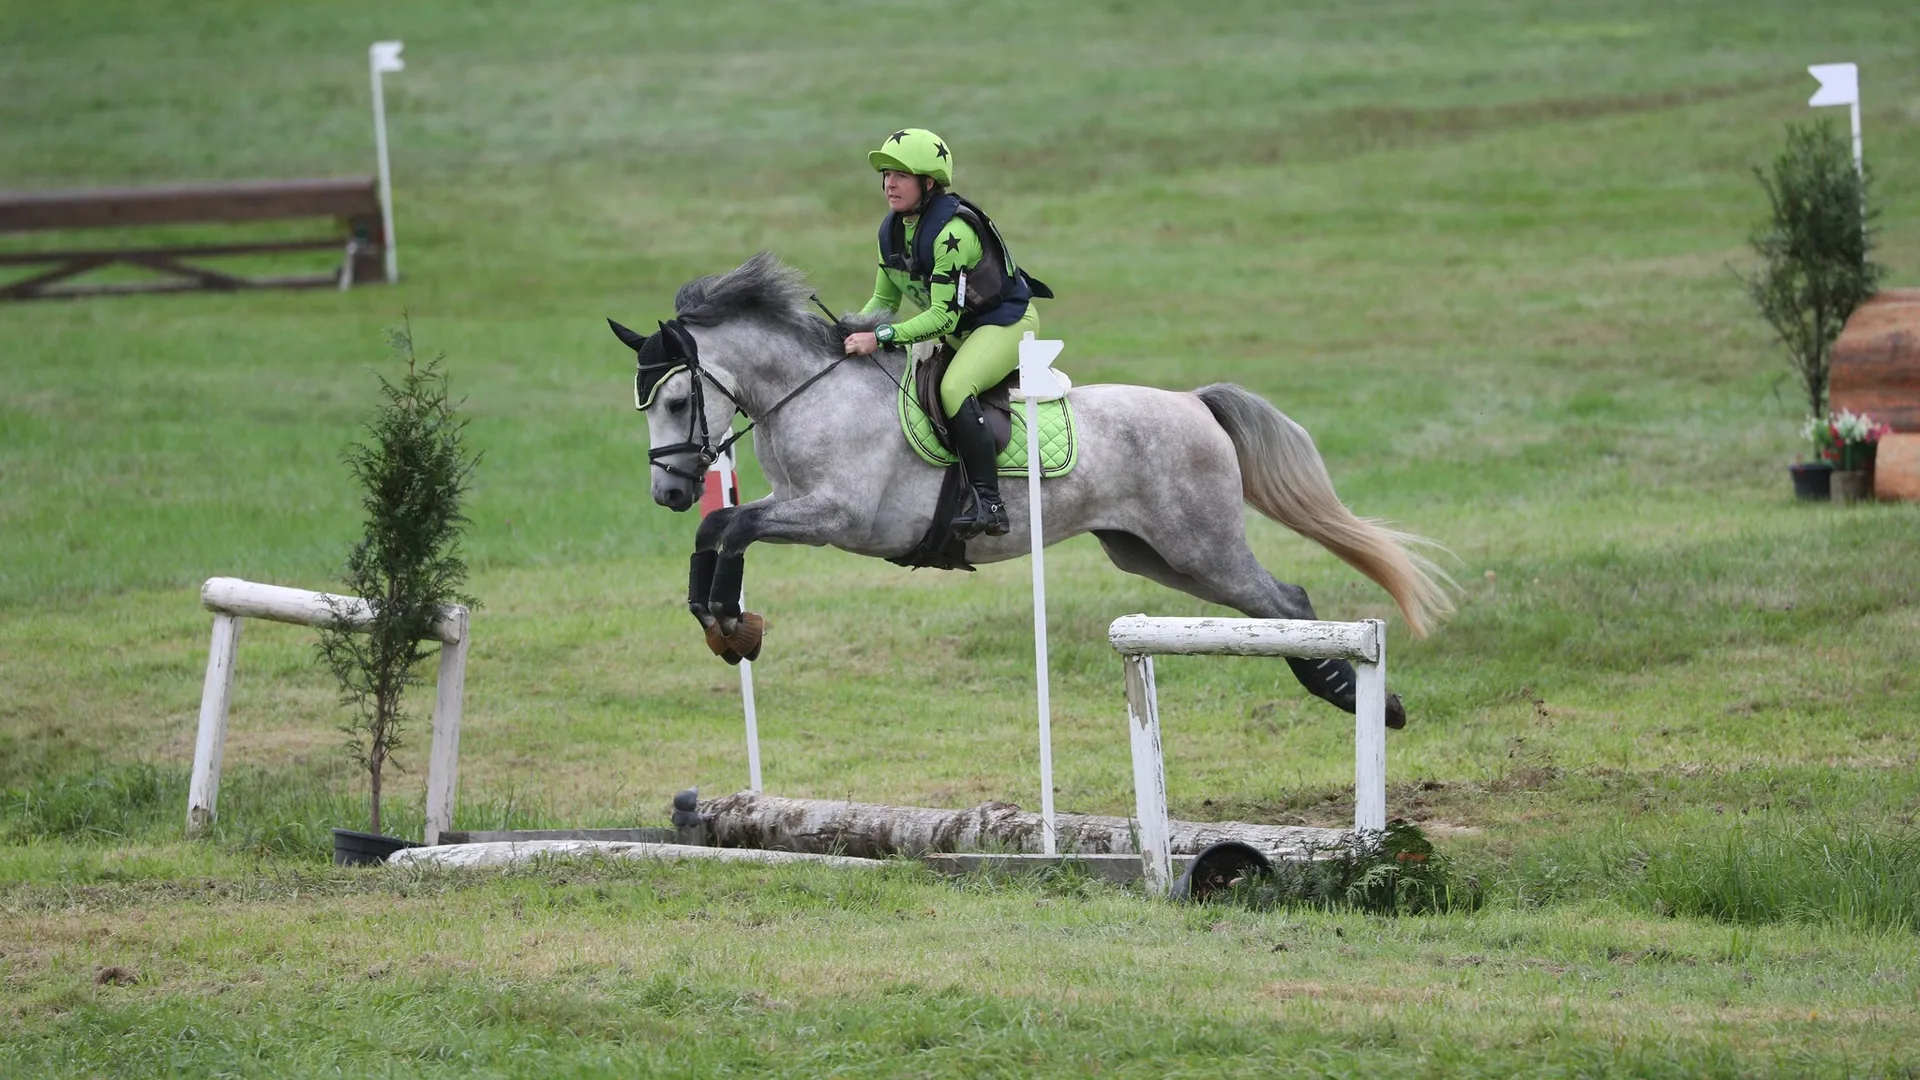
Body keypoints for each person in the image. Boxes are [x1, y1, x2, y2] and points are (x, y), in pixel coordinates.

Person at [843, 128, 1051, 539]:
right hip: (960, 332)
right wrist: (844, 331)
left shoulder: (953, 234)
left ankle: (990, 504)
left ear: (928, 183)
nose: (889, 183)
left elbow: (942, 318)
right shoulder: (892, 232)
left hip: (1003, 324)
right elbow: (881, 303)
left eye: (901, 175)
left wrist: (880, 337)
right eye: (886, 173)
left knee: (954, 388)